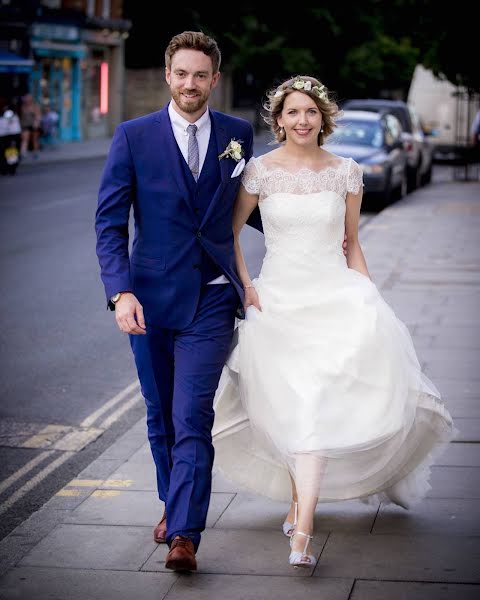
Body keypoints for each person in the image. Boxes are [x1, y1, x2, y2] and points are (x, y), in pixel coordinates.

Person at [212, 75, 456, 569]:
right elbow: (229, 234)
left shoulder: (347, 172)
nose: (302, 121)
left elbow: (352, 243)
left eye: (311, 112)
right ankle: (301, 507)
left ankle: (301, 533)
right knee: (298, 409)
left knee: (317, 411)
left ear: (323, 118)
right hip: (278, 304)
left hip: (333, 299)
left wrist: (368, 295)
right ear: (278, 120)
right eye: (293, 112)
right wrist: (249, 287)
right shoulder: (258, 172)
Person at [95, 31, 263, 572]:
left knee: (192, 414)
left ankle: (185, 534)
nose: (191, 84)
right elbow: (109, 220)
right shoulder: (133, 136)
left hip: (212, 300)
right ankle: (174, 503)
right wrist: (120, 292)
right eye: (181, 74)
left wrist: (316, 213)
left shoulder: (238, 135)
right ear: (169, 76)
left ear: (215, 79)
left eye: (201, 75)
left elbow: (248, 205)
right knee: (159, 414)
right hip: (148, 299)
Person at [19, 94, 41, 158]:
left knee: (34, 139)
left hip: (33, 125)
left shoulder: (35, 106)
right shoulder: (22, 106)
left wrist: (36, 123)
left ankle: (35, 152)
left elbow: (38, 116)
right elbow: (21, 117)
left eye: (28, 99)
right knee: (25, 139)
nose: (27, 100)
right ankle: (23, 152)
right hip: (25, 125)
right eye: (26, 99)